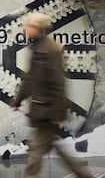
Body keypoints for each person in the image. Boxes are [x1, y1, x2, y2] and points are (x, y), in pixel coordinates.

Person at [10, 12, 93, 178]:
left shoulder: (51, 50)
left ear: (39, 28)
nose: (25, 29)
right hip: (42, 108)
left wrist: (58, 112)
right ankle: (83, 174)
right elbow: (30, 79)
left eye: (29, 26)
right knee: (55, 147)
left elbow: (58, 83)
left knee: (36, 149)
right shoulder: (37, 48)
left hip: (47, 110)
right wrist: (17, 101)